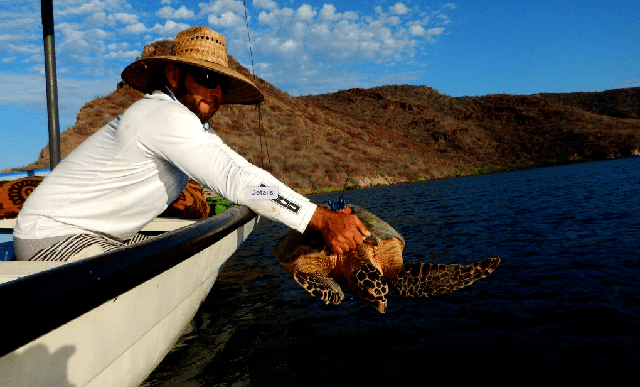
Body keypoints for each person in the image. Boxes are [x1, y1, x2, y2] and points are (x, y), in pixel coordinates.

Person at [13, 26, 369, 262]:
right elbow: (236, 180)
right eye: (207, 77)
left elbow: (238, 169)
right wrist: (318, 220)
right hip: (55, 238)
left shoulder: (187, 125)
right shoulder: (162, 116)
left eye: (222, 84)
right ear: (173, 75)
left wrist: (313, 209)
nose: (216, 91)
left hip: (94, 235)